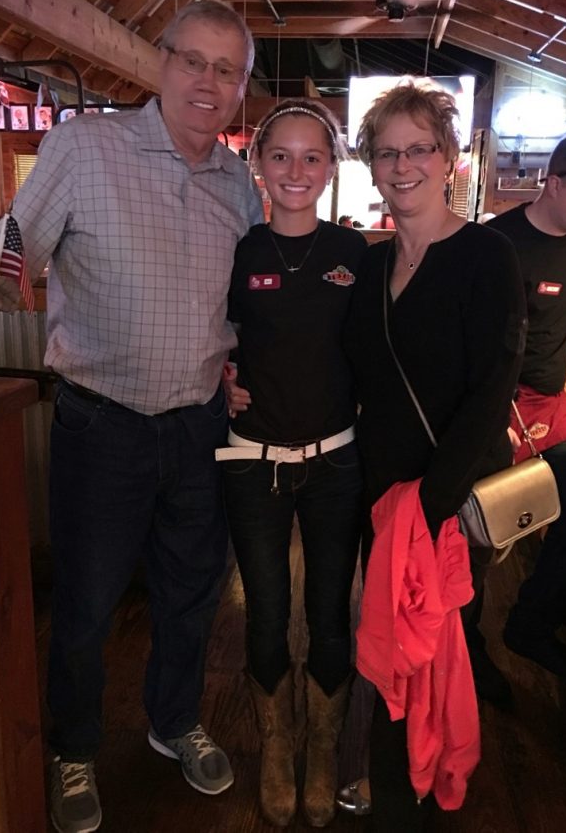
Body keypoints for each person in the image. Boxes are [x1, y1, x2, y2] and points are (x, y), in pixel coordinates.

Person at [7, 0, 264, 833]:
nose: (208, 81)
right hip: (101, 425)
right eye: (194, 60)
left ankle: (173, 721)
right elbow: (12, 252)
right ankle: (74, 748)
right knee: (83, 604)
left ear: (240, 87)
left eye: (226, 70)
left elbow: (245, 303)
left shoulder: (238, 183)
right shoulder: (86, 146)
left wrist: (241, 367)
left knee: (192, 595)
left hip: (198, 427)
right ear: (161, 62)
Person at [339, 80, 526, 831]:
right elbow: (348, 371)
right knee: (387, 651)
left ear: (448, 156)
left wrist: (430, 501)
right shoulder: (371, 267)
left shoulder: (485, 254)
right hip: (377, 495)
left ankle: (420, 796)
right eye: (388, 152)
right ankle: (392, 790)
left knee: (435, 654)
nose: (403, 163)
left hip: (440, 502)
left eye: (419, 148)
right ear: (371, 166)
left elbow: (492, 388)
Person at [218, 98, 367, 827]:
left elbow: (383, 351)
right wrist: (216, 373)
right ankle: (277, 747)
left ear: (332, 167)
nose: (296, 170)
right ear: (258, 165)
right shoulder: (238, 250)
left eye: (313, 157)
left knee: (331, 614)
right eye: (281, 156)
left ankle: (325, 747)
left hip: (337, 461)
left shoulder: (355, 252)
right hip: (253, 462)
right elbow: (204, 332)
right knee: (267, 613)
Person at [486, 131, 566, 682]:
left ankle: (530, 625)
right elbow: (472, 340)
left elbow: (555, 298)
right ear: (555, 183)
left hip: (554, 402)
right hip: (504, 408)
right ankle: (465, 653)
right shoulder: (498, 246)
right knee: (476, 543)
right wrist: (491, 419)